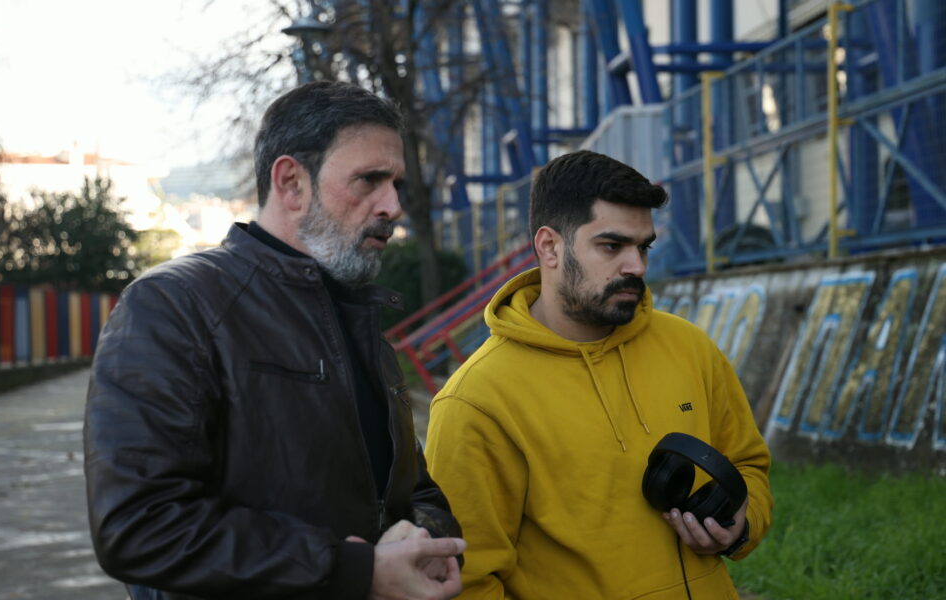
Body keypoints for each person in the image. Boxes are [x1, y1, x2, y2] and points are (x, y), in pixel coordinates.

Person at [84, 81, 465, 600]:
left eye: (397, 183)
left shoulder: (357, 320)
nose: (393, 206)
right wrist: (354, 571)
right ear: (291, 183)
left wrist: (421, 538)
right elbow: (139, 526)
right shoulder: (175, 306)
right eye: (369, 180)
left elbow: (414, 491)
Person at [424, 150, 772, 599]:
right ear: (550, 247)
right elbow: (467, 581)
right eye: (612, 246)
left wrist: (741, 524)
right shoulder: (476, 401)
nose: (637, 266)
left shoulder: (689, 347)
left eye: (643, 247)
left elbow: (748, 465)